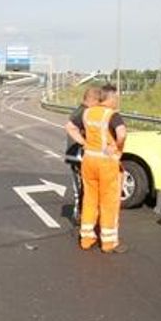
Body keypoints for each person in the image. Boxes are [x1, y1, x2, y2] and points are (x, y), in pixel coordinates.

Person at [77, 85, 127, 253]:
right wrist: (116, 146)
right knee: (109, 202)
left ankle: (86, 238)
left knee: (89, 199)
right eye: (116, 98)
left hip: (88, 160)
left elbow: (71, 126)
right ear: (111, 98)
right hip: (106, 163)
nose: (117, 101)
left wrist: (84, 143)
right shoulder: (112, 115)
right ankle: (108, 242)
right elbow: (122, 134)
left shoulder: (88, 113)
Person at [64, 86, 101, 224]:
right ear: (93, 100)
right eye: (99, 102)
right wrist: (85, 143)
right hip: (77, 156)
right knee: (80, 189)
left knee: (82, 189)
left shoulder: (81, 111)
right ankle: (79, 216)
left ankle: (82, 215)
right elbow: (69, 127)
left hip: (76, 156)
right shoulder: (83, 112)